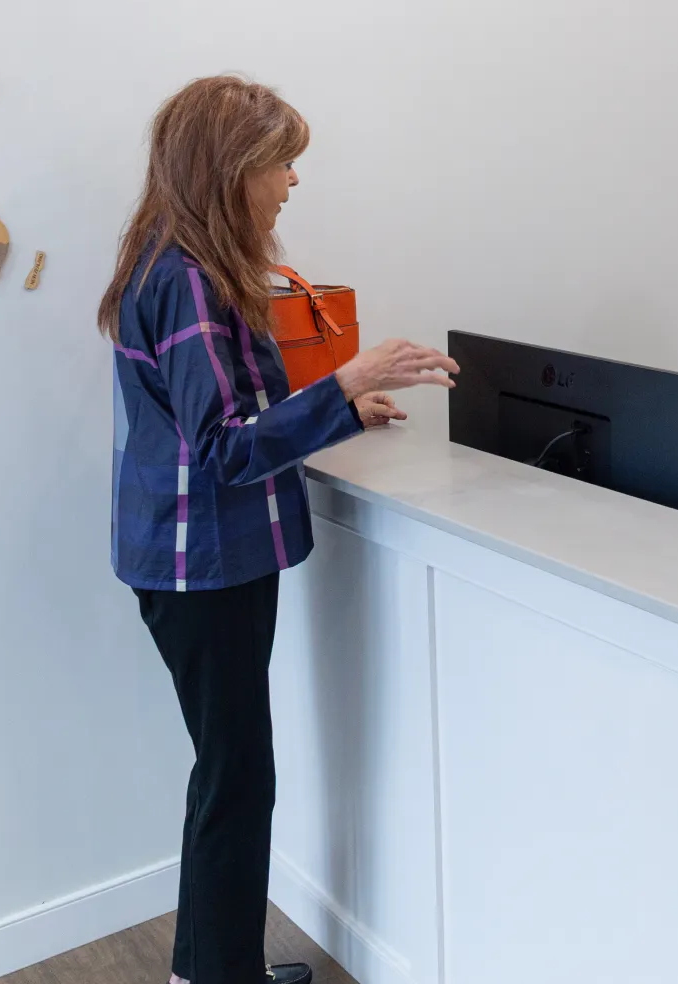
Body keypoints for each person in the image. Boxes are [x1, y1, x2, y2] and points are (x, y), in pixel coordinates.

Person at [96, 76, 457, 984]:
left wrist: (342, 408)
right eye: (281, 161)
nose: (294, 180)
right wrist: (339, 384)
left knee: (229, 774)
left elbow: (224, 417)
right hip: (200, 563)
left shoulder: (177, 261)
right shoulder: (184, 278)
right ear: (233, 168)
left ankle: (210, 971)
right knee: (236, 781)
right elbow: (223, 450)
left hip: (192, 556)